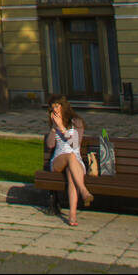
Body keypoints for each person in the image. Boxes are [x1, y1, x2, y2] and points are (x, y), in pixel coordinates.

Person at [45, 95, 93, 227]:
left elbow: (75, 145)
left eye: (57, 106)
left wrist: (62, 128)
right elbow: (50, 145)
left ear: (63, 106)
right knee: (70, 156)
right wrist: (55, 128)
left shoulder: (76, 122)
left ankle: (72, 215)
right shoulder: (54, 123)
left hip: (75, 159)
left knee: (72, 175)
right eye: (52, 107)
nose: (55, 109)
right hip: (59, 159)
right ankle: (84, 190)